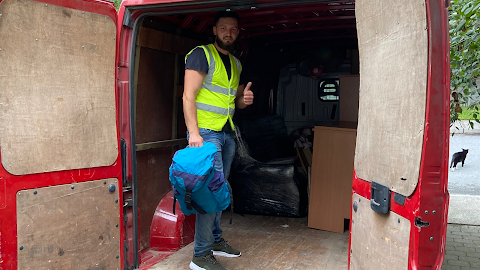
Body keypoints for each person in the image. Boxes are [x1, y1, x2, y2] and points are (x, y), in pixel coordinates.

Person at [183, 10, 254, 270]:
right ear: (214, 30)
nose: (228, 33)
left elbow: (232, 100)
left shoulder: (235, 63)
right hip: (205, 135)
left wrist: (243, 102)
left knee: (219, 189)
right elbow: (188, 96)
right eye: (223, 28)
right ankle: (200, 256)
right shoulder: (201, 54)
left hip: (226, 133)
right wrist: (194, 134)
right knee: (209, 192)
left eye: (233, 29)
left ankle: (214, 240)